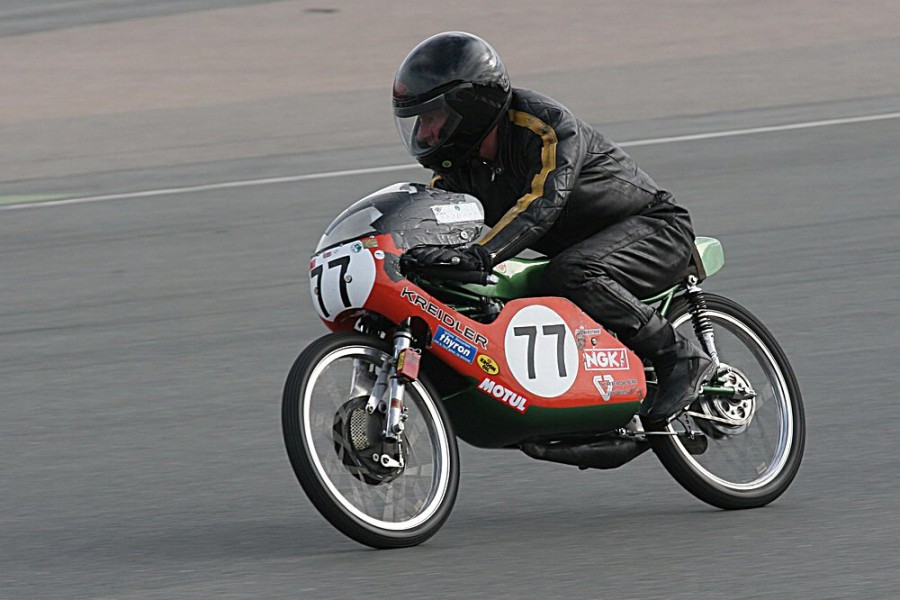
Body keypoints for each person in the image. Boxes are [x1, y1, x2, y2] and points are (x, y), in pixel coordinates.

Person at [392, 31, 715, 428]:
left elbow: (543, 203)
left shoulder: (543, 124)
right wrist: (404, 255)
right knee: (519, 299)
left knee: (571, 273)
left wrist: (481, 254)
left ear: (470, 104)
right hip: (581, 253)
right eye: (419, 122)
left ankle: (680, 356)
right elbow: (437, 217)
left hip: (654, 227)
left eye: (432, 118)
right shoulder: (459, 169)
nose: (423, 134)